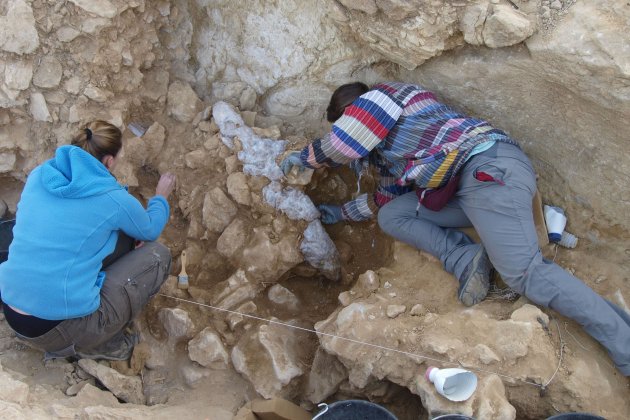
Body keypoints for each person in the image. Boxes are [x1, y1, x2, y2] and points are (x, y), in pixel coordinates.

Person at [280, 81, 630, 376]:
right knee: (394, 216)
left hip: (488, 170)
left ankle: (625, 349)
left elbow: (345, 141)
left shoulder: (384, 98)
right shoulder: (386, 150)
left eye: (344, 124)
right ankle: (466, 259)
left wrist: (307, 157)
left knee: (526, 275)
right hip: (465, 188)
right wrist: (339, 212)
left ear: (351, 112)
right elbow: (385, 198)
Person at [0, 120, 176, 361]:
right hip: (56, 330)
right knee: (157, 256)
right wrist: (160, 197)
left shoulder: (41, 174)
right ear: (109, 162)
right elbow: (150, 230)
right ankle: (102, 342)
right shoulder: (111, 198)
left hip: (10, 307)